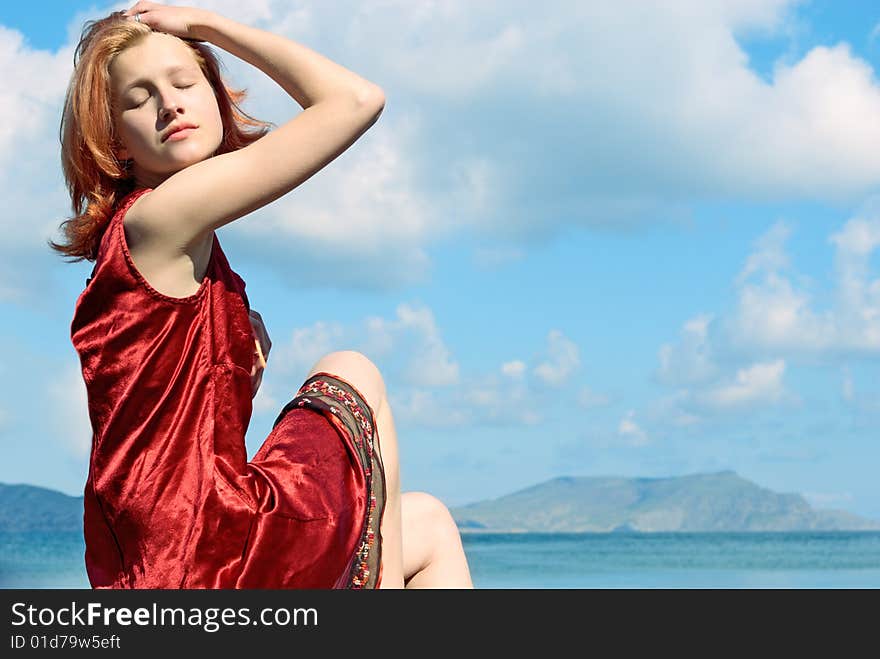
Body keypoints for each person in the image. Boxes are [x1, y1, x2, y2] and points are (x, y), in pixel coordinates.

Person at [52, 1, 473, 589]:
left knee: (425, 523)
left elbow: (171, 440)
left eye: (184, 82)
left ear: (216, 101)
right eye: (138, 98)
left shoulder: (161, 252)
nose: (169, 103)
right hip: (200, 558)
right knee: (351, 370)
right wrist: (205, 27)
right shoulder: (158, 219)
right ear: (116, 142)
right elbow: (354, 100)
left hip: (178, 555)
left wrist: (235, 370)